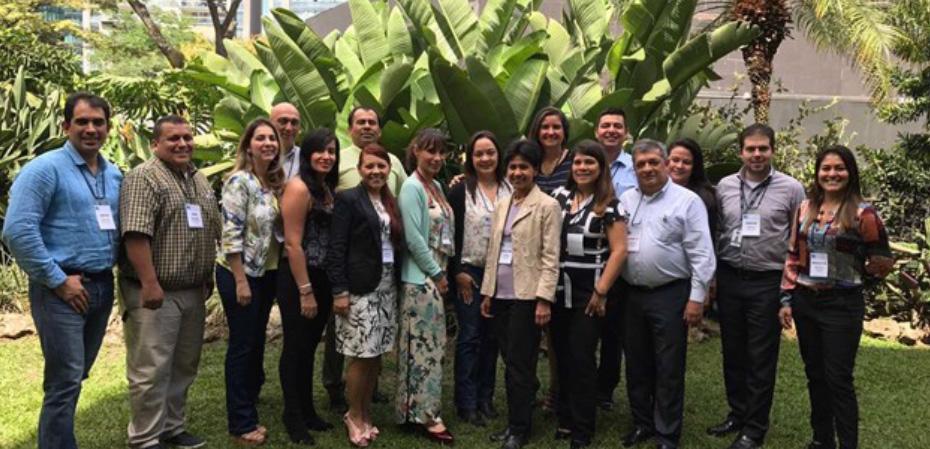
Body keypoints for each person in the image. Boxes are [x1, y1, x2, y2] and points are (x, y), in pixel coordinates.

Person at [2, 92, 121, 449]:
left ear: (108, 127)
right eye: (82, 121)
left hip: (101, 286)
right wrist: (57, 280)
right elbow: (17, 231)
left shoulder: (113, 173)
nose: (90, 129)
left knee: (76, 374)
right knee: (65, 378)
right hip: (61, 289)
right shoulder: (44, 169)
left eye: (98, 122)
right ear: (65, 125)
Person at [779, 146, 893, 449]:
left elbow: (882, 260)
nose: (832, 174)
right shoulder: (805, 209)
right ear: (817, 173)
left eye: (839, 168)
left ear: (850, 172)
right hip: (806, 301)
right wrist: (786, 299)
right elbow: (792, 255)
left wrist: (866, 270)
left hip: (842, 305)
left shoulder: (862, 213)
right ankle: (821, 440)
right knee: (815, 375)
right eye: (826, 168)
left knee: (838, 379)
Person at [118, 115, 222, 449]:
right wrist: (150, 283)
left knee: (183, 364)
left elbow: (208, 231)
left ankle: (172, 428)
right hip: (155, 292)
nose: (182, 144)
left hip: (192, 290)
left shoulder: (199, 179)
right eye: (173, 139)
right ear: (155, 144)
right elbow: (135, 234)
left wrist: (206, 277)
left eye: (187, 138)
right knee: (151, 368)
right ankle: (146, 438)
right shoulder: (143, 178)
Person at [708, 124, 805, 449]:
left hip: (767, 281)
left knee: (760, 356)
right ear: (741, 152)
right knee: (732, 352)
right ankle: (737, 413)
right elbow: (719, 228)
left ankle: (754, 428)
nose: (757, 154)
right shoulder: (724, 186)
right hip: (731, 276)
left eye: (763, 148)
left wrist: (788, 290)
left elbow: (797, 241)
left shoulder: (791, 189)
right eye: (750, 149)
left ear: (772, 150)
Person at [618, 139, 715, 449]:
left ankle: (667, 433)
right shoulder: (626, 200)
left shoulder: (686, 201)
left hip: (670, 293)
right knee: (636, 363)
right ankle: (642, 423)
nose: (647, 169)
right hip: (632, 294)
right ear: (634, 169)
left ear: (665, 164)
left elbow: (702, 253)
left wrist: (696, 298)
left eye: (653, 162)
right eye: (640, 164)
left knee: (668, 365)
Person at [481, 139, 562, 449]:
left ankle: (519, 429)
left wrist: (544, 299)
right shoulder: (504, 203)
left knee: (519, 363)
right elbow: (494, 251)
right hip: (500, 293)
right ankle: (517, 417)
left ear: (535, 170)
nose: (517, 172)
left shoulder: (547, 206)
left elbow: (550, 256)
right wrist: (488, 291)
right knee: (510, 358)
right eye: (512, 167)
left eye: (523, 167)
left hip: (527, 296)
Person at [327, 106, 408, 411]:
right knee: (356, 350)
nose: (376, 171)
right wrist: (339, 290)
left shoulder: (389, 193)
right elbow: (337, 247)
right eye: (360, 122)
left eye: (372, 122)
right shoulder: (345, 190)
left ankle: (364, 402)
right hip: (357, 281)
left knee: (374, 350)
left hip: (386, 282)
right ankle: (350, 408)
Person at [550, 141, 628, 449]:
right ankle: (565, 417)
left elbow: (620, 251)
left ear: (600, 168)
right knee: (563, 356)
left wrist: (601, 290)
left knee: (582, 358)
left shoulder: (609, 204)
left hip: (590, 293)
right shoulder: (559, 197)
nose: (582, 168)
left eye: (589, 163)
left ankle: (583, 426)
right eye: (578, 163)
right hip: (558, 290)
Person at [215, 118, 285, 445]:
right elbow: (230, 234)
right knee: (243, 345)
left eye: (272, 138)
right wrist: (241, 279)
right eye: (261, 138)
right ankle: (241, 421)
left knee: (256, 341)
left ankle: (250, 397)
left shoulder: (270, 182)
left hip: (266, 273)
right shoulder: (238, 181)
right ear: (248, 145)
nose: (268, 143)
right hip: (240, 273)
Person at [277, 128, 339, 444]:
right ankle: (293, 416)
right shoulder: (299, 188)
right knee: (296, 348)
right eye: (320, 150)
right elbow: (292, 243)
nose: (327, 156)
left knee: (308, 348)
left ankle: (307, 409)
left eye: (332, 151)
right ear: (308, 153)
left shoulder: (326, 188)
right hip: (300, 278)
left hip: (323, 278)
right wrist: (305, 290)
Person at [447, 131, 511, 426]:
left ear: (499, 156)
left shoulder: (511, 188)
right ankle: (466, 401)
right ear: (470, 159)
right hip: (469, 272)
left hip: (501, 273)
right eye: (478, 154)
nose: (485, 158)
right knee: (470, 336)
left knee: (492, 338)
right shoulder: (461, 190)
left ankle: (486, 398)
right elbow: (449, 234)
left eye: (490, 153)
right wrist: (457, 270)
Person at [395, 128, 455, 444]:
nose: (436, 157)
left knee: (427, 347)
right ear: (416, 150)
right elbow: (414, 239)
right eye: (430, 151)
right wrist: (438, 275)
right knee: (426, 350)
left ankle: (413, 410)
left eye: (441, 152)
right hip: (421, 279)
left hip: (434, 276)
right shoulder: (412, 187)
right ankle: (427, 416)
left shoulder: (437, 187)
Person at [593, 107, 636, 411]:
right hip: (584, 256)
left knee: (613, 331)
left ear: (625, 132)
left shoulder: (636, 167)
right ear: (596, 131)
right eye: (605, 125)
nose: (611, 130)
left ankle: (605, 390)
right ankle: (578, 385)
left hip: (620, 257)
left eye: (617, 126)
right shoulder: (582, 163)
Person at [668, 138, 720, 240]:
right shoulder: (654, 193)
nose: (679, 166)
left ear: (694, 167)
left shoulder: (704, 198)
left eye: (686, 162)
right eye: (675, 160)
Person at [529, 106, 573, 195]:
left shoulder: (574, 161)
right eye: (545, 127)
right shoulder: (530, 162)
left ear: (564, 131)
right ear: (537, 131)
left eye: (556, 127)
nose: (551, 132)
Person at [271, 102, 302, 179]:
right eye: (283, 121)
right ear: (270, 123)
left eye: (294, 123)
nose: (288, 128)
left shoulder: (306, 159)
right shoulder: (256, 157)